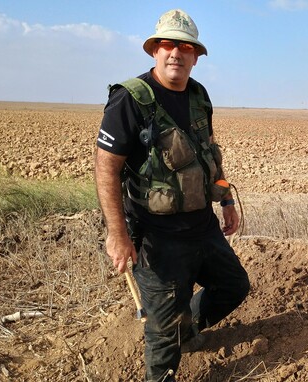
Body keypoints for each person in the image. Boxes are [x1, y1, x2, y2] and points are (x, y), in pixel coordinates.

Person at [94, 9, 250, 382]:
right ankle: (167, 353)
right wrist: (117, 235)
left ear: (195, 55)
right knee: (161, 333)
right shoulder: (129, 100)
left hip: (202, 226)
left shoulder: (198, 96)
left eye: (184, 46)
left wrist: (226, 199)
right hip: (156, 236)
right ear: (154, 51)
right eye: (167, 44)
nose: (175, 53)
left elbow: (210, 151)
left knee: (233, 286)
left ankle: (186, 330)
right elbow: (106, 168)